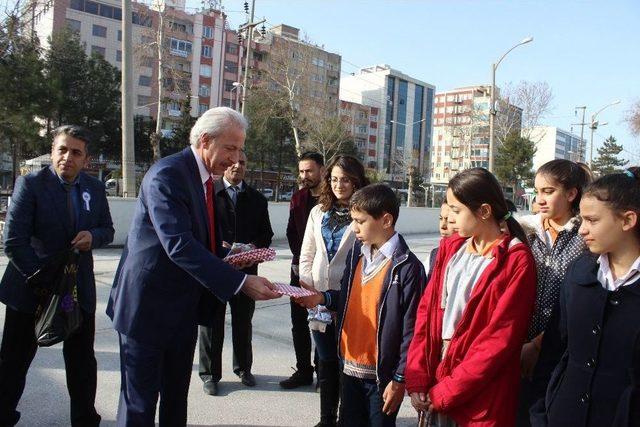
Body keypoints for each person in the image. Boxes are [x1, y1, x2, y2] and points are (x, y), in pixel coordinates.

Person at [106, 107, 279, 426]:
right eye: (230, 148)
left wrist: (231, 258)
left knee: (175, 399)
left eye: (240, 149)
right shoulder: (168, 175)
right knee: (139, 405)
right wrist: (240, 284)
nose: (236, 158)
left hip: (182, 311)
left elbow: (200, 242)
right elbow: (179, 244)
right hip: (147, 310)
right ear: (204, 141)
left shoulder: (204, 182)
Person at [0, 125, 114, 426]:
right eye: (62, 150)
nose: (67, 157)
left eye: (75, 152)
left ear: (86, 159)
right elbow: (13, 242)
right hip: (31, 290)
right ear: (53, 151)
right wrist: (44, 281)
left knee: (81, 361)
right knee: (14, 362)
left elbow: (107, 229)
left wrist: (94, 235)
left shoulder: (95, 188)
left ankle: (85, 419)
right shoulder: (30, 184)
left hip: (76, 290)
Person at [405, 167, 536, 426]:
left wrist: (447, 391)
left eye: (456, 211)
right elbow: (427, 314)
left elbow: (498, 341)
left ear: (484, 211)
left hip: (479, 388)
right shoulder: (452, 248)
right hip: (438, 376)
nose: (450, 219)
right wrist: (419, 376)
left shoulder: (516, 260)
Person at [296, 183, 425, 427]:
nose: (353, 227)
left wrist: (399, 378)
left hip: (381, 379)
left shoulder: (408, 269)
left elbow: (413, 331)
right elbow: (346, 296)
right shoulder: (358, 251)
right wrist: (321, 299)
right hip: (349, 369)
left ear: (386, 220)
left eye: (360, 221)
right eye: (352, 219)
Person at [530, 168, 640, 427]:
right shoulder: (579, 272)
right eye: (582, 219)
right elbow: (555, 350)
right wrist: (541, 413)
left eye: (592, 220)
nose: (582, 230)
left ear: (627, 220)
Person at [515, 159, 590, 426]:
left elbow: (581, 303)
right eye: (537, 191)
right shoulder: (525, 233)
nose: (540, 199)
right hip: (517, 347)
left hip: (561, 350)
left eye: (549, 191)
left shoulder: (586, 237)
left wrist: (538, 345)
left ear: (571, 194)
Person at [298, 155, 369, 426]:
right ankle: (326, 418)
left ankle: (345, 418)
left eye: (346, 179)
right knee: (326, 362)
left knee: (346, 365)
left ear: (357, 181)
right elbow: (307, 254)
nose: (340, 185)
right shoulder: (318, 212)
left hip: (351, 300)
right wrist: (307, 288)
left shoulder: (364, 213)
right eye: (335, 179)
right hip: (318, 301)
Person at [198, 151, 274, 395]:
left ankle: (243, 369)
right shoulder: (208, 192)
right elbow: (199, 229)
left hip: (246, 274)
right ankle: (210, 374)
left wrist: (251, 249)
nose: (237, 166)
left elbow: (266, 234)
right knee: (211, 323)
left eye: (242, 162)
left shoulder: (257, 200)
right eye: (233, 162)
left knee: (243, 322)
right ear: (225, 164)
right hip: (215, 271)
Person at [281, 151, 325, 389]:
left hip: (326, 271)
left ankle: (323, 371)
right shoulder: (297, 198)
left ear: (322, 170)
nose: (304, 175)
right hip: (299, 270)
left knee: (323, 321)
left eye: (309, 171)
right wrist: (301, 260)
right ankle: (303, 370)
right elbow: (291, 231)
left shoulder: (332, 199)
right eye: (301, 171)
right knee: (298, 322)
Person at [426, 202, 453, 282]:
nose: (443, 226)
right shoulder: (433, 255)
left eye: (449, 220)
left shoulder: (470, 258)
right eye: (441, 219)